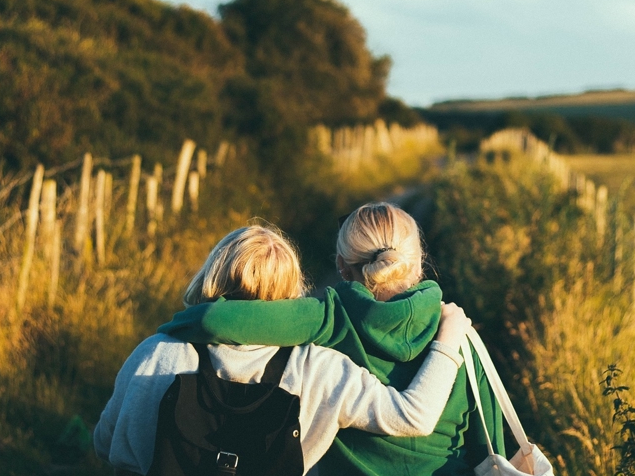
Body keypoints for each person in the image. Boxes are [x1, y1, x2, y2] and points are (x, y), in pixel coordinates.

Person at [159, 203, 505, 476]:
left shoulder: (329, 317)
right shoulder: (459, 334)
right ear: (418, 266)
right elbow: (493, 450)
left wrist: (169, 328)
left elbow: (212, 319)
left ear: (342, 266)